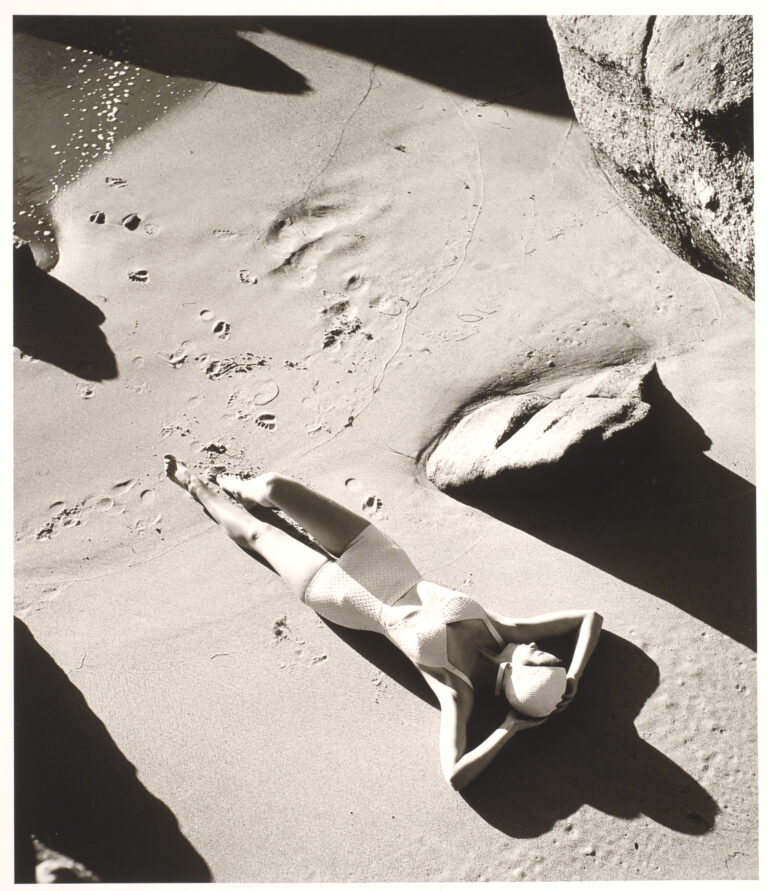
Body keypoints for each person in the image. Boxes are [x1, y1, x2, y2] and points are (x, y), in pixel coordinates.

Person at [164, 456, 602, 790]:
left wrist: (511, 727)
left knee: (259, 536)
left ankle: (198, 487)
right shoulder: (506, 630)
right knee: (276, 487)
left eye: (545, 659)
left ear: (524, 677)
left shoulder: (457, 691)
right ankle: (239, 485)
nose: (545, 650)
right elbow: (589, 618)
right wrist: (574, 676)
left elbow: (455, 775)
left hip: (338, 595)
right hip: (380, 555)